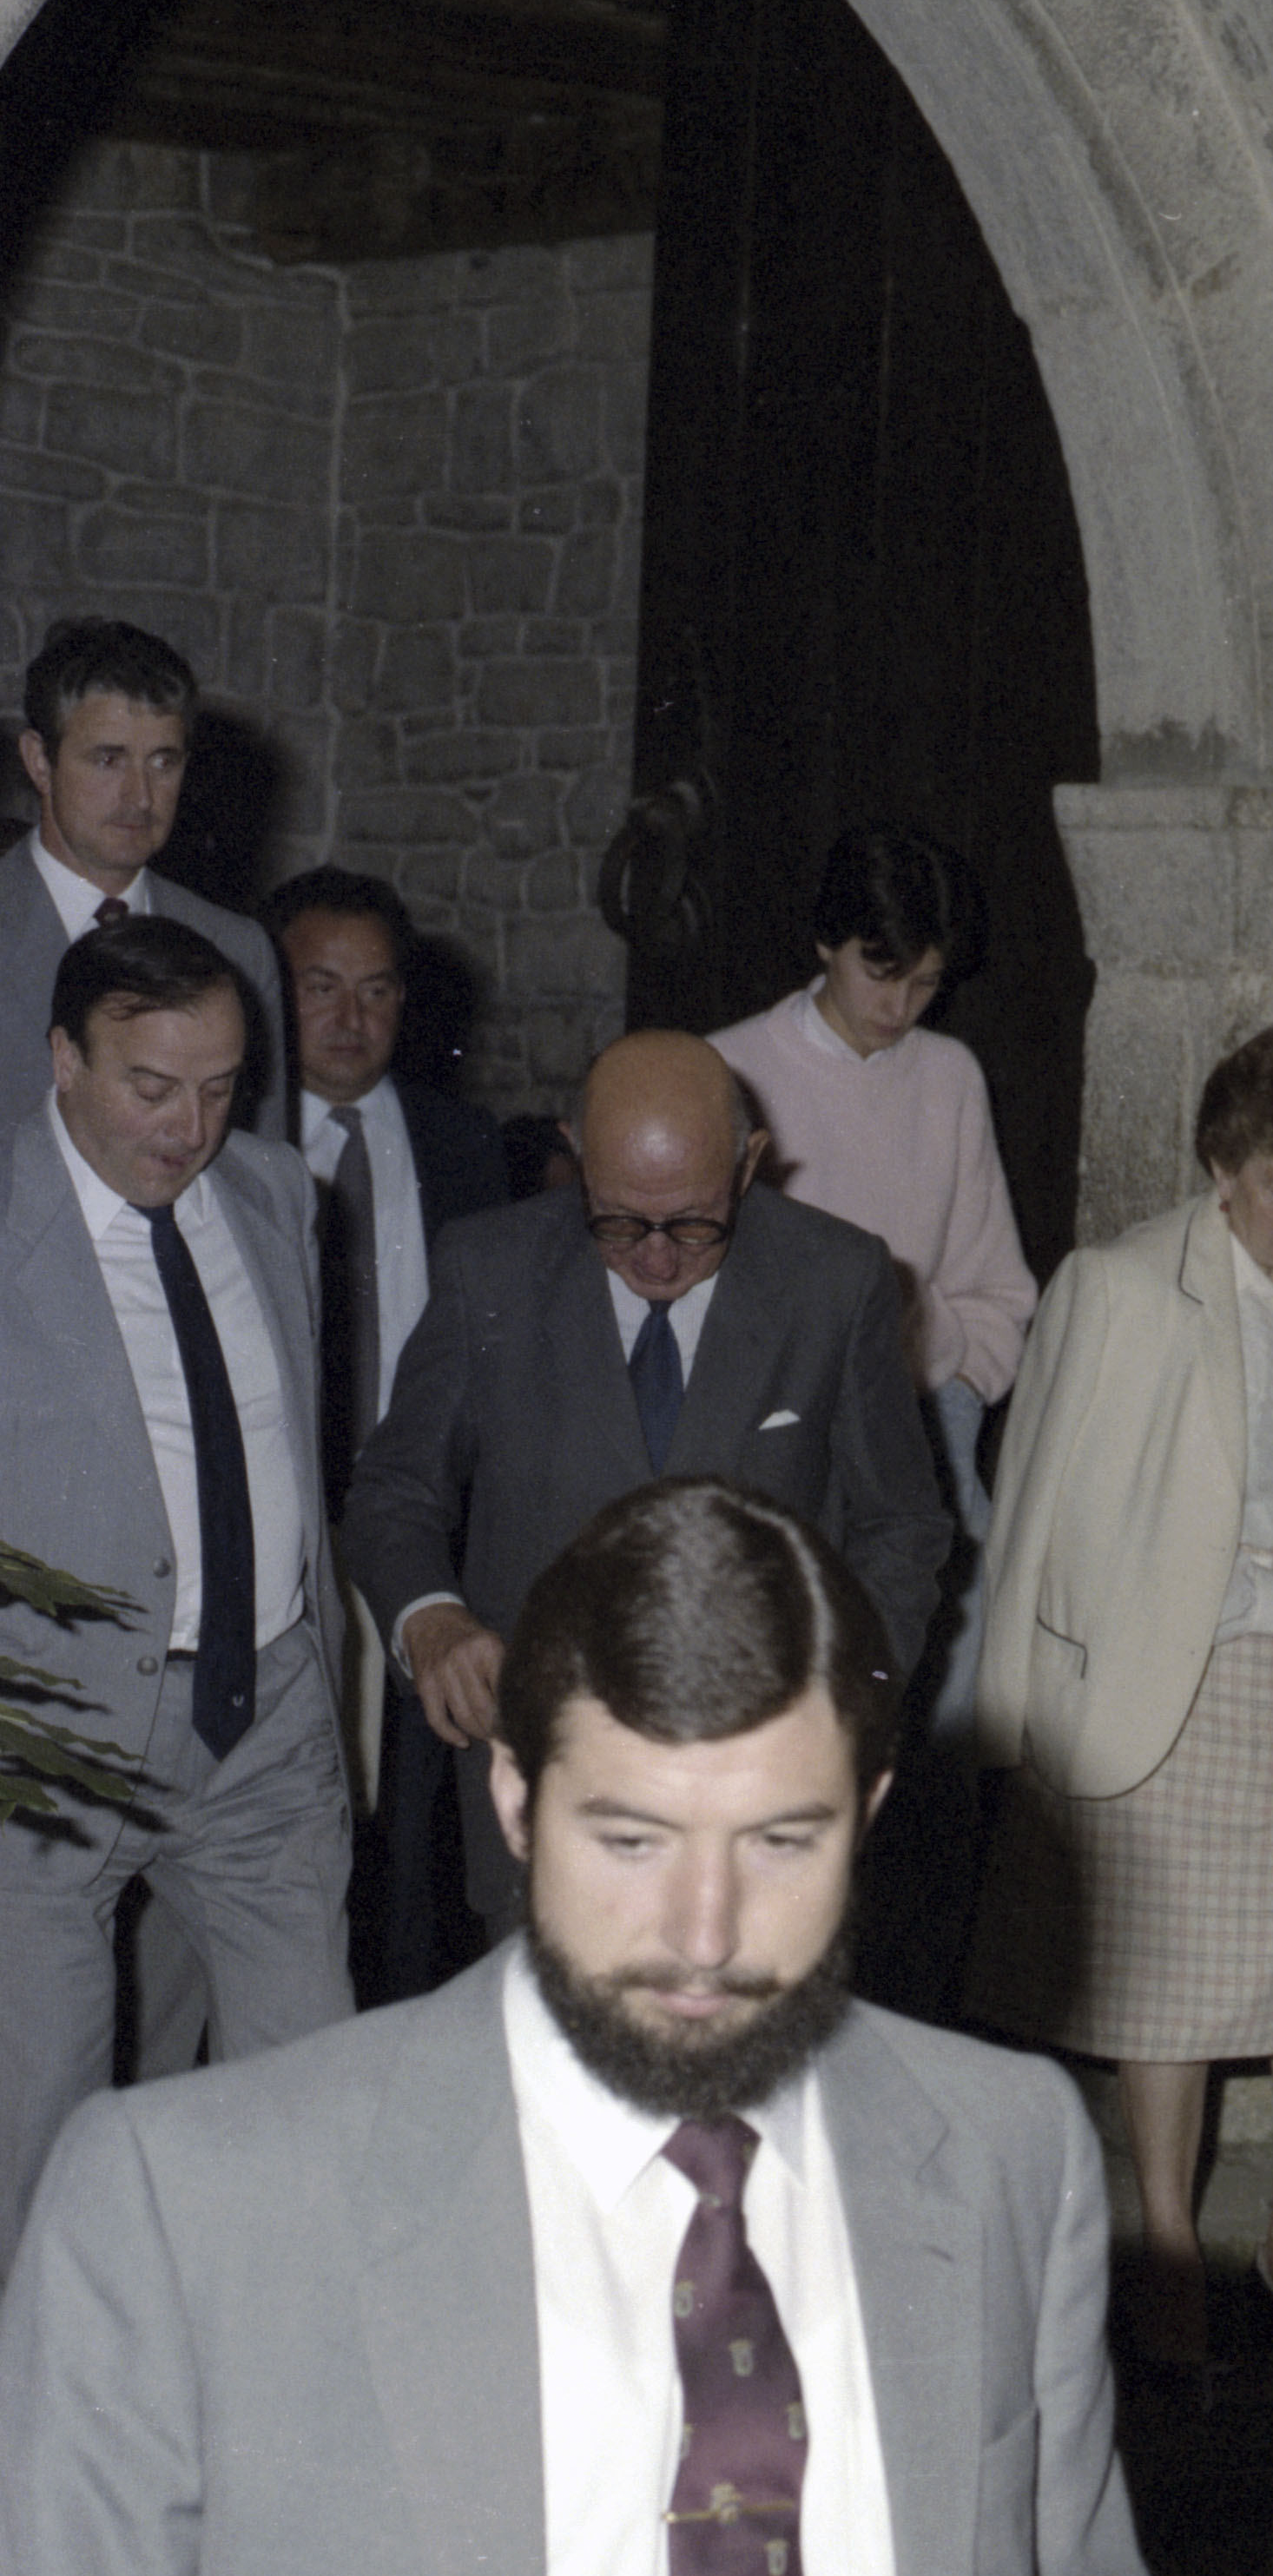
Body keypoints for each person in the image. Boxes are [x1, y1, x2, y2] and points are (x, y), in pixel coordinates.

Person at [0, 1473, 1163, 2576]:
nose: (703, 1927)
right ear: (514, 1795)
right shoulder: (198, 2202)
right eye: (630, 1837)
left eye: (780, 1841)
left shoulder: (1004, 2156)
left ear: (868, 1811)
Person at [970, 1022, 1273, 2379]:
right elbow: (1081, 1531)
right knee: (1174, 1985)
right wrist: (1269, 1600)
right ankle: (1172, 2249)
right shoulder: (1123, 1287)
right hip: (1176, 1672)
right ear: (1220, 1169)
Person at [341, 1028, 954, 1925]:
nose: (657, 1259)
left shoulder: (836, 1280)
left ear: (749, 1165)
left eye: (695, 1224)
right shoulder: (489, 1268)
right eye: (619, 1222)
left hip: (756, 1778)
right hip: (542, 1776)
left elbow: (902, 1527)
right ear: (576, 1157)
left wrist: (839, 1713)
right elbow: (395, 1491)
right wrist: (429, 1621)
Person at [0, 916, 349, 2267]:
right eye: (151, 1086)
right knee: (40, 2158)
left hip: (264, 1725)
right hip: (49, 1748)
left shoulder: (273, 1191)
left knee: (311, 2120)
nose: (189, 1127)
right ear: (64, 1058)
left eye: (218, 1087)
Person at [706, 825, 1036, 1727]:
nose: (900, 1008)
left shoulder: (950, 1076)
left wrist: (941, 1362)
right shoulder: (730, 1067)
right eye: (880, 973)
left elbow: (999, 1295)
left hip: (923, 1429)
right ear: (826, 941)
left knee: (934, 1720)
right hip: (772, 1439)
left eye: (926, 984)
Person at [268, 866, 516, 2004]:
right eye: (319, 986)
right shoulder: (234, 1141)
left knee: (416, 1841)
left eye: (375, 990)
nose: (349, 1018)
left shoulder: (463, 1146)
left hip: (421, 1531)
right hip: (286, 1531)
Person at [2, 616, 281, 1121]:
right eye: (108, 760)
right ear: (40, 761)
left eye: (162, 762)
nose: (141, 797)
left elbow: (260, 1165)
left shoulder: (239, 952)